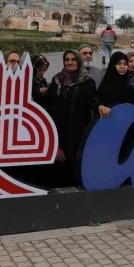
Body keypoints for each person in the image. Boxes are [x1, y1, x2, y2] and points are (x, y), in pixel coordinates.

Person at [47, 50, 108, 187]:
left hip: (77, 129)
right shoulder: (57, 80)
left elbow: (92, 99)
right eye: (67, 59)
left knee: (74, 159)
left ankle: (73, 187)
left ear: (78, 61)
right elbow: (49, 103)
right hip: (57, 128)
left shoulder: (86, 81)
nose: (70, 62)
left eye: (73, 59)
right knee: (57, 159)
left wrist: (99, 106)